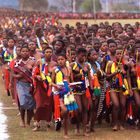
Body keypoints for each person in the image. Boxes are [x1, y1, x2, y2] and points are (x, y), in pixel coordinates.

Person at [51, 53, 77, 139]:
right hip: (58, 93)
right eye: (58, 60)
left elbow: (71, 81)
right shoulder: (55, 70)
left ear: (65, 60)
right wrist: (56, 86)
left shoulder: (69, 69)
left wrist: (73, 85)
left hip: (68, 92)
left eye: (62, 59)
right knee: (65, 111)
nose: (60, 61)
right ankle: (58, 118)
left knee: (68, 113)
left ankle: (65, 133)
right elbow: (51, 82)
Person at [32, 47, 56, 131]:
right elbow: (33, 73)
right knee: (39, 105)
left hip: (49, 87)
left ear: (52, 53)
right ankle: (37, 123)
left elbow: (57, 75)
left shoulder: (54, 64)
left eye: (50, 52)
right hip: (40, 86)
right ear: (44, 53)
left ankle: (48, 122)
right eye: (47, 52)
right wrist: (37, 76)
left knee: (48, 105)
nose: (48, 53)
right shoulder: (39, 62)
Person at [13, 46, 36, 127]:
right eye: (23, 51)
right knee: (22, 103)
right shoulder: (18, 63)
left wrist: (31, 69)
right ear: (20, 52)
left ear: (29, 52)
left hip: (30, 84)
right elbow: (14, 75)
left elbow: (36, 72)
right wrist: (19, 75)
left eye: (26, 51)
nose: (25, 52)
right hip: (21, 85)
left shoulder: (33, 61)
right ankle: (22, 120)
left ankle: (28, 122)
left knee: (30, 104)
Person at [71, 48, 91, 136]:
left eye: (85, 56)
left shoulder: (87, 65)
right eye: (81, 55)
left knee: (85, 109)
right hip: (76, 89)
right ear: (77, 55)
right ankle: (77, 126)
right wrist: (82, 72)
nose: (83, 57)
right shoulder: (73, 65)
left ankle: (84, 130)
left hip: (85, 88)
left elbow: (89, 77)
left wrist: (91, 88)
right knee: (79, 109)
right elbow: (72, 77)